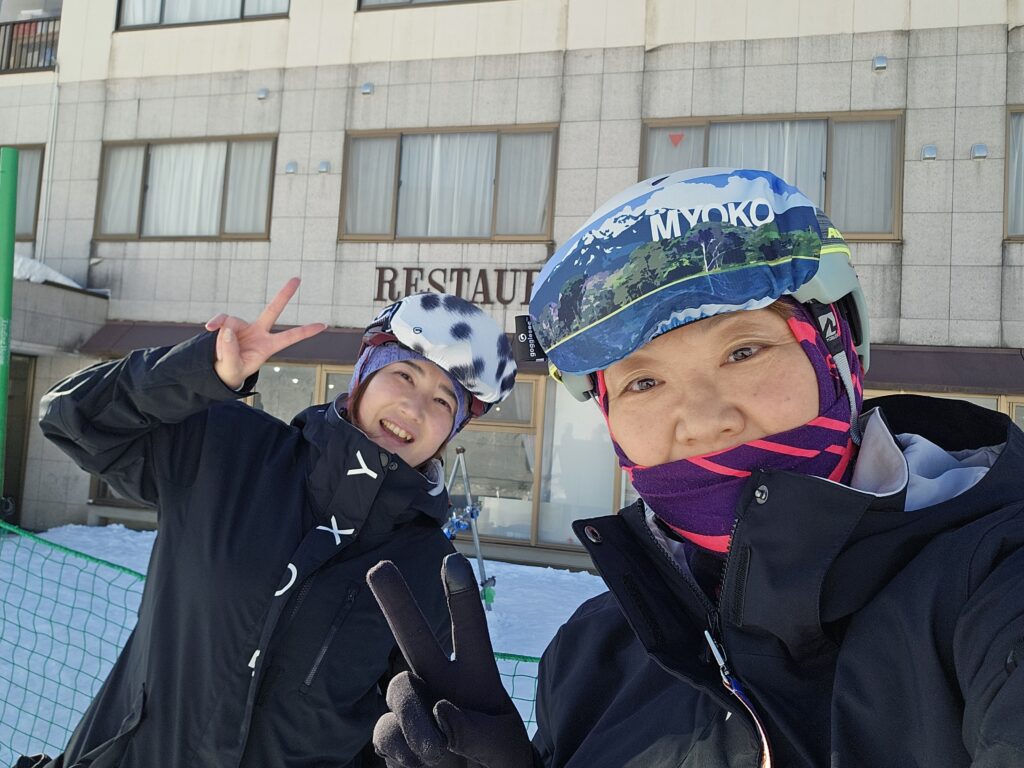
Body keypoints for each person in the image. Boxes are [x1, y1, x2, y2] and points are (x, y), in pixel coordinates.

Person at [366, 168, 1024, 767]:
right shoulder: (591, 655)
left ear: (837, 357)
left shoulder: (993, 584)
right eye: (644, 383)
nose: (704, 420)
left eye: (743, 351)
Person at [30, 280, 517, 768]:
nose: (415, 408)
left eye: (443, 402)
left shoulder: (429, 570)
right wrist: (198, 370)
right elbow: (71, 417)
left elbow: (395, 737)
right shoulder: (230, 450)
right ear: (364, 376)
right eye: (405, 375)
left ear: (451, 431)